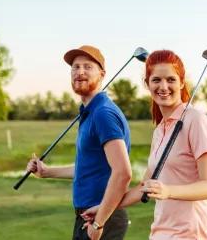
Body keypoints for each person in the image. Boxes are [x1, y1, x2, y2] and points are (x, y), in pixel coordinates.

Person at [82, 49, 207, 239]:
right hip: (160, 233)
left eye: (170, 79)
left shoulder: (196, 120)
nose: (163, 86)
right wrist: (105, 208)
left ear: (181, 82)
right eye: (156, 80)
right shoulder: (159, 131)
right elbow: (143, 187)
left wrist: (168, 190)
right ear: (147, 84)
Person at [26, 45, 132, 240]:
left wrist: (99, 222)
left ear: (102, 74)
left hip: (102, 216)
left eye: (87, 66)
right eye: (75, 67)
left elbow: (123, 173)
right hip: (89, 215)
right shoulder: (90, 112)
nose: (80, 72)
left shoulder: (103, 114)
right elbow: (89, 167)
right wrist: (46, 172)